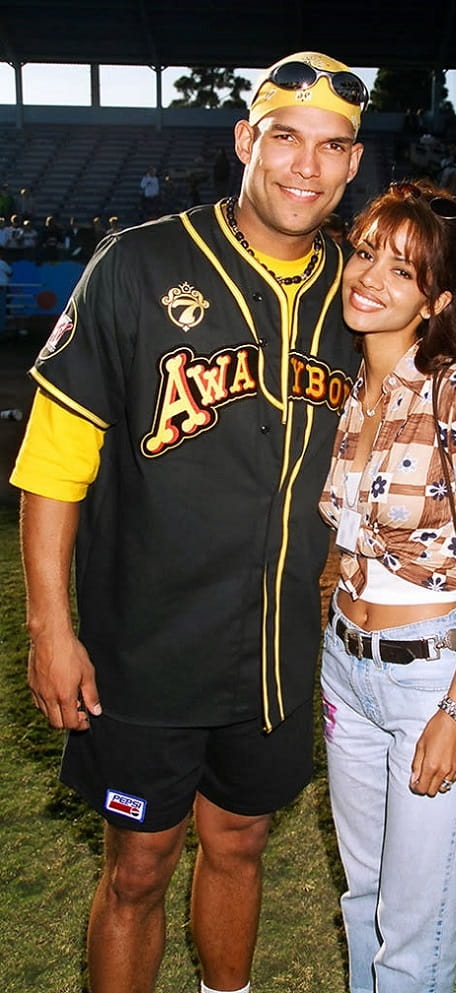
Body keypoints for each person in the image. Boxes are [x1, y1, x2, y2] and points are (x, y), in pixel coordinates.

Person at [10, 50, 366, 993]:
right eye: (284, 137)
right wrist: (50, 625)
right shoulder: (137, 264)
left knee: (240, 840)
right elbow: (54, 463)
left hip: (278, 656)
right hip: (145, 651)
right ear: (246, 140)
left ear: (353, 162)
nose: (304, 165)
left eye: (330, 147)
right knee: (137, 867)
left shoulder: (363, 303)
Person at [318, 180, 456, 993]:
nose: (368, 277)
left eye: (400, 271)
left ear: (435, 299)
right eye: (365, 252)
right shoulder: (346, 389)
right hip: (346, 671)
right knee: (365, 898)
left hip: (432, 681)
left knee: (417, 930)